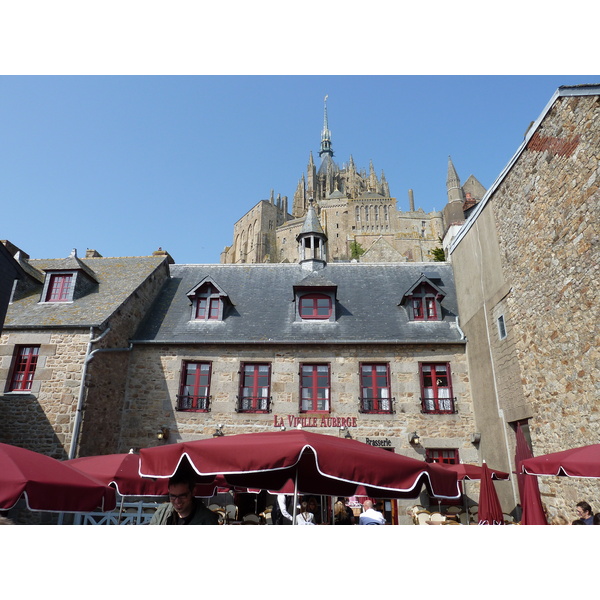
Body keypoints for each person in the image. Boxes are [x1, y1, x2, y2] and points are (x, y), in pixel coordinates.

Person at [150, 473, 220, 525]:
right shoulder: (161, 512)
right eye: (173, 496)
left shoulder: (208, 519)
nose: (177, 501)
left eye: (182, 496)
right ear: (169, 491)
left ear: (193, 492)